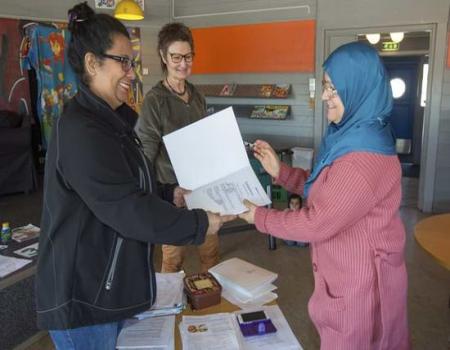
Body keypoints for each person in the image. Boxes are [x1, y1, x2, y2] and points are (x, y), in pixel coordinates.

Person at [35, 3, 233, 349]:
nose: (132, 72)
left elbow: (134, 184)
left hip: (110, 288)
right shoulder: (82, 130)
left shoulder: (117, 120)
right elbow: (126, 208)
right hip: (84, 298)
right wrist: (201, 223)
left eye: (132, 62)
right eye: (123, 61)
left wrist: (169, 193)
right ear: (92, 63)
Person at [239, 42, 410, 349]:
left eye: (333, 88)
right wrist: (282, 172)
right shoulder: (356, 132)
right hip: (350, 276)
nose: (324, 96)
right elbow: (330, 192)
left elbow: (318, 222)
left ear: (357, 88)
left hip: (360, 288)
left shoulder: (361, 157)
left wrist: (259, 217)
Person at [135, 22, 219, 273]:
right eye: (176, 57)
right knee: (173, 260)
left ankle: (211, 305)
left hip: (203, 192)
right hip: (173, 196)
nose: (183, 63)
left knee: (211, 253)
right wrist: (152, 195)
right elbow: (146, 154)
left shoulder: (197, 96)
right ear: (163, 56)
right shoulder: (154, 101)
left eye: (188, 56)